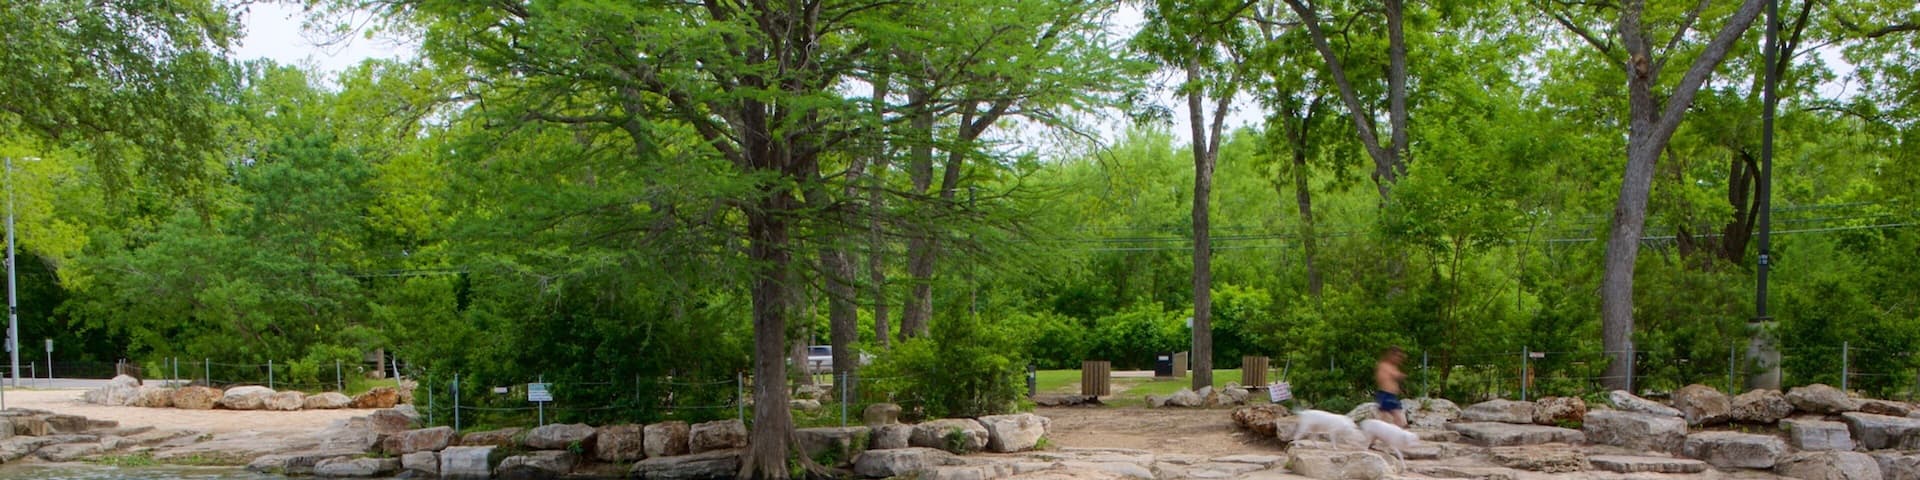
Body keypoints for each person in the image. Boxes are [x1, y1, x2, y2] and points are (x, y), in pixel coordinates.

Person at [1374, 346, 1408, 427]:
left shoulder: (1393, 366)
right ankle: (1399, 430)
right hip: (1386, 394)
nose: (1399, 359)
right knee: (1397, 415)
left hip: (1391, 395)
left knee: (1386, 416)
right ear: (1391, 355)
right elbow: (1382, 378)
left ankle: (1384, 431)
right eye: (1398, 356)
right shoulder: (1384, 365)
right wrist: (1398, 375)